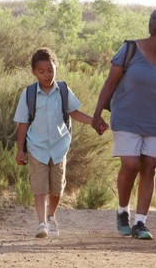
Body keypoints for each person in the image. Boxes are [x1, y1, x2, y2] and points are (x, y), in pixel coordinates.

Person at [92, 8, 156, 240]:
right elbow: (110, 83)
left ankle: (140, 223)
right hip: (127, 119)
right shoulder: (130, 49)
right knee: (130, 164)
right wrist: (97, 114)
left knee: (150, 167)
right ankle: (122, 212)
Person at [14, 47, 96, 238]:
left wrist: (93, 121)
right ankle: (41, 223)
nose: (46, 75)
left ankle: (51, 216)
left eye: (50, 70)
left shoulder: (64, 91)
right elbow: (23, 123)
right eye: (41, 71)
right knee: (39, 187)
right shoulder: (29, 94)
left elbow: (74, 112)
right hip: (36, 147)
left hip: (59, 147)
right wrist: (20, 150)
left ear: (56, 68)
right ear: (33, 72)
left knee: (57, 188)